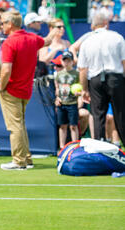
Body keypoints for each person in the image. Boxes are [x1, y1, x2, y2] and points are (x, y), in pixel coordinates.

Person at [0, 11, 58, 170]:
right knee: (20, 124)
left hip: (12, 89)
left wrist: (1, 87)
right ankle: (26, 158)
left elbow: (6, 70)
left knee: (15, 126)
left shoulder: (9, 43)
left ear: (10, 24)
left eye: (3, 22)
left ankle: (18, 161)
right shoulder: (32, 38)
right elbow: (47, 41)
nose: (1, 25)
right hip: (26, 90)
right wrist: (55, 28)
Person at [78, 12, 125, 145]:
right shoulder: (117, 38)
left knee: (98, 116)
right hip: (116, 78)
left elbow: (83, 69)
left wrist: (84, 90)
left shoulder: (87, 41)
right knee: (121, 114)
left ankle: (99, 146)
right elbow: (124, 62)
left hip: (96, 80)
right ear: (106, 23)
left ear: (93, 26)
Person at [54, 51, 81, 150]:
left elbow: (81, 87)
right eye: (64, 60)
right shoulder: (59, 74)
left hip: (72, 103)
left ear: (72, 61)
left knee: (73, 126)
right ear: (62, 61)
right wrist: (57, 98)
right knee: (62, 126)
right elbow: (57, 88)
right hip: (62, 103)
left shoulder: (76, 74)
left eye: (68, 60)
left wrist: (79, 93)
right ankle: (62, 147)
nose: (66, 62)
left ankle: (75, 146)